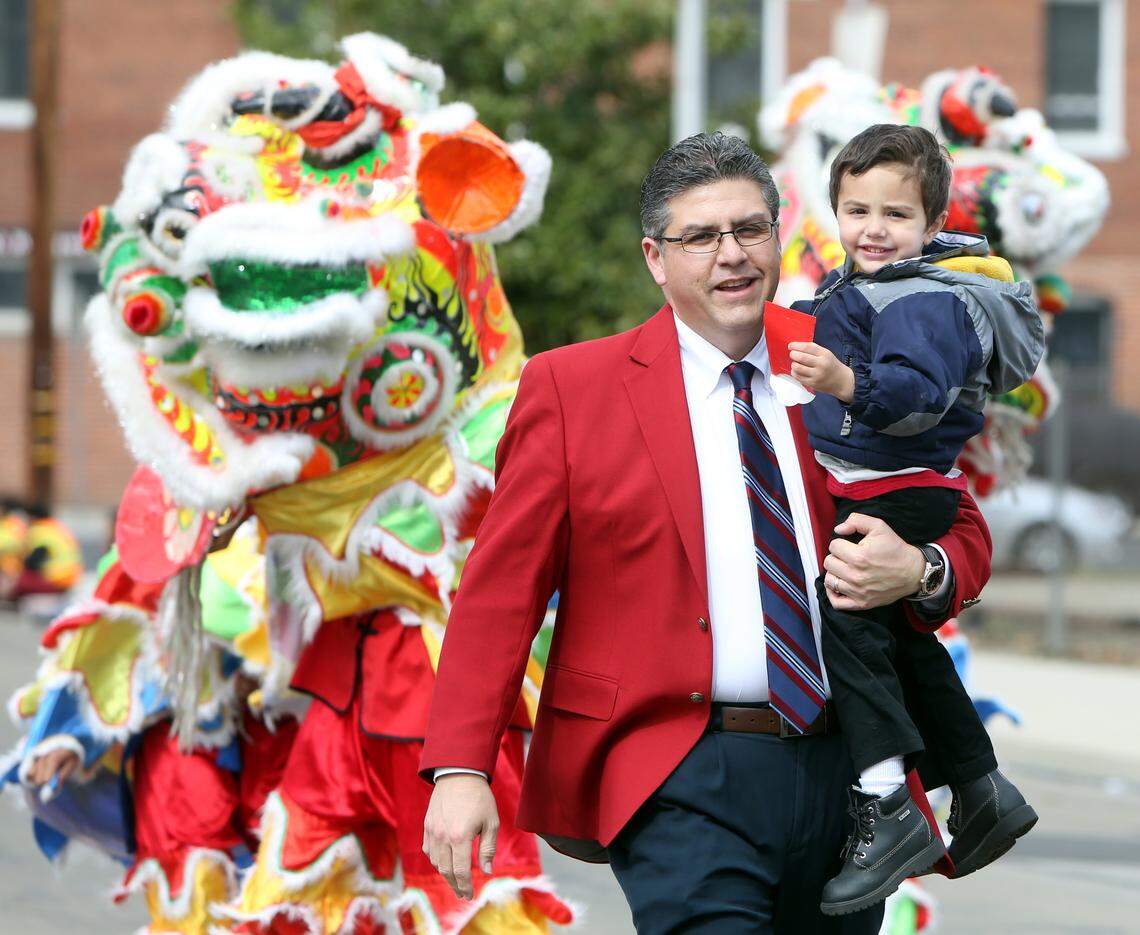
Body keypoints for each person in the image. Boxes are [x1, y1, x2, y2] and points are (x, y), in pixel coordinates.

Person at [420, 131, 992, 934]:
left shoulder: (842, 352)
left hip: (852, 772)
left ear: (779, 237)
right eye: (702, 236)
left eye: (751, 229)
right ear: (656, 257)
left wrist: (924, 568)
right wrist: (461, 766)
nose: (733, 254)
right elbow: (501, 589)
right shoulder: (571, 388)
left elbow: (957, 517)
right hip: (675, 767)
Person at [787, 123, 1042, 915]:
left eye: (893, 215)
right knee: (900, 640)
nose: (871, 228)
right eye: (855, 209)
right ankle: (980, 783)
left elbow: (914, 393)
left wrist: (843, 381)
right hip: (889, 479)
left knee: (850, 613)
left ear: (932, 224)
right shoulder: (864, 286)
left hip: (895, 484)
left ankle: (886, 799)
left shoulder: (922, 295)